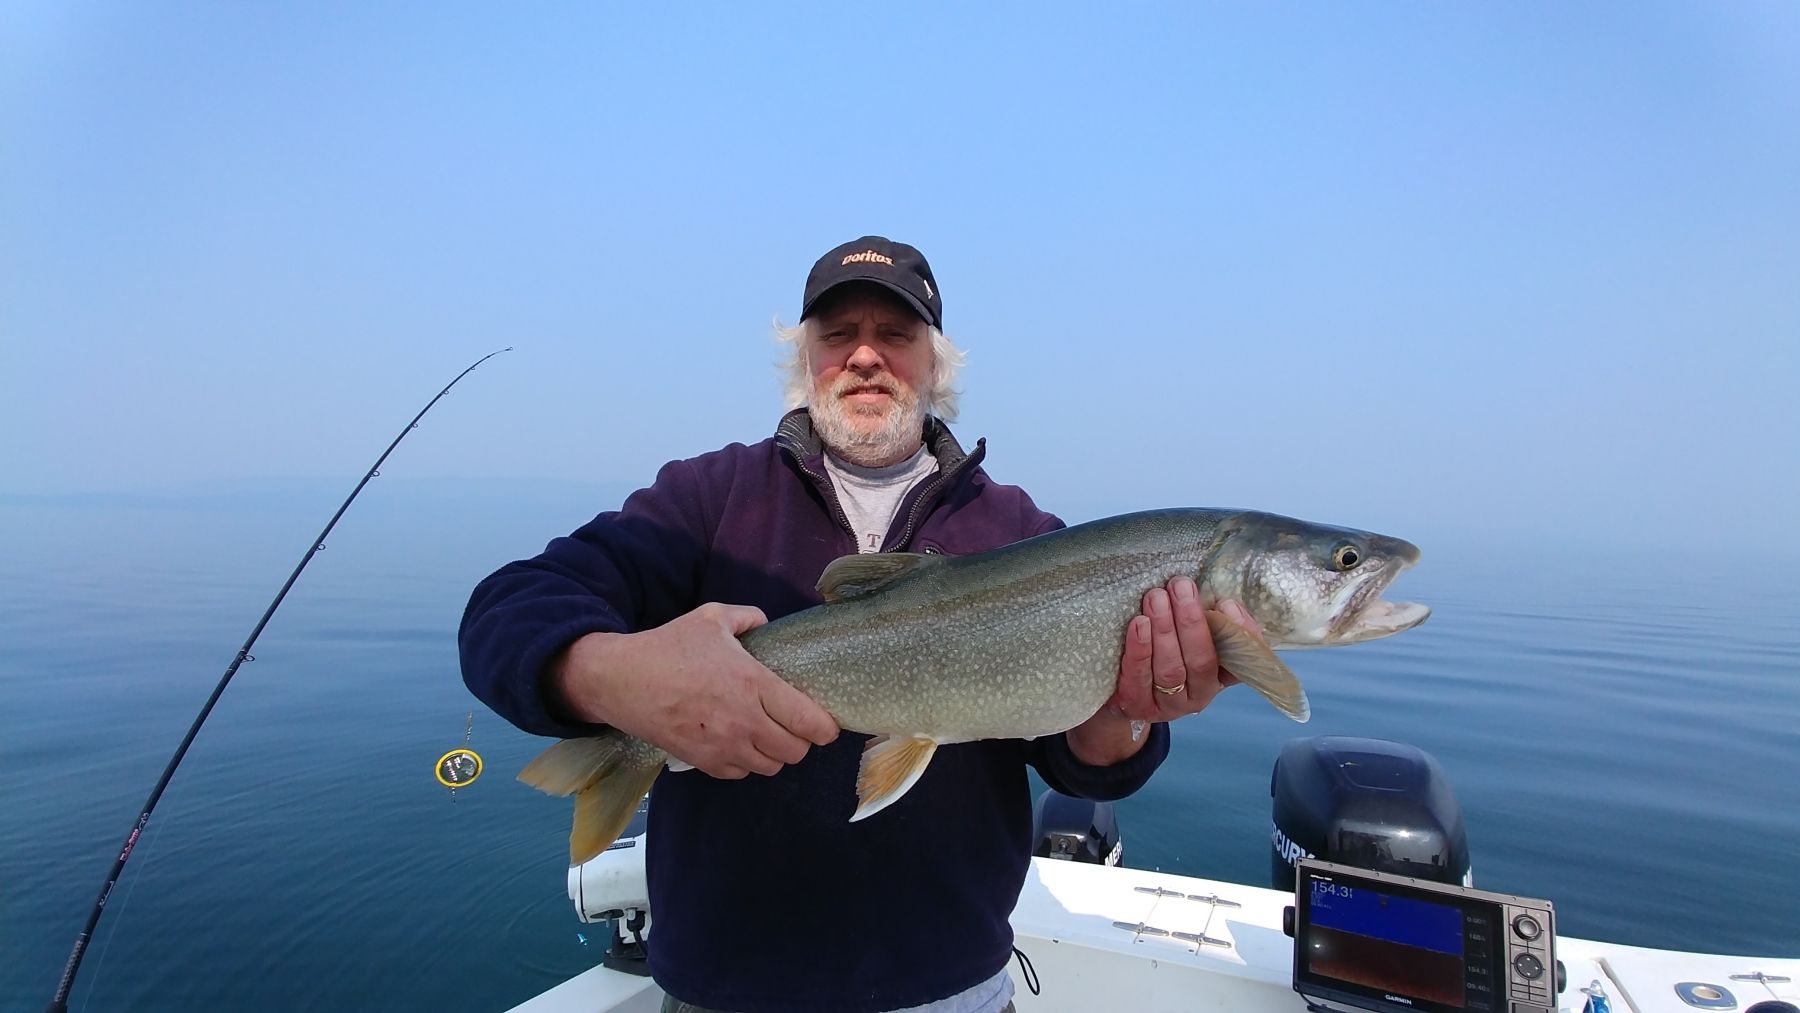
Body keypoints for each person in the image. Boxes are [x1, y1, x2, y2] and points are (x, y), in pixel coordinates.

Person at [459, 236, 1253, 1013]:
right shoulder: (706, 499)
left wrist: (1128, 712)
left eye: (896, 334)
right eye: (838, 335)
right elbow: (509, 607)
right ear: (803, 359)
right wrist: (611, 678)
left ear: (936, 364)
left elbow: (1082, 762)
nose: (865, 355)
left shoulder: (1025, 532)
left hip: (953, 989)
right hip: (724, 989)